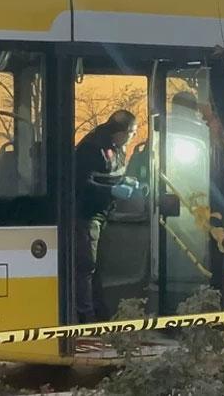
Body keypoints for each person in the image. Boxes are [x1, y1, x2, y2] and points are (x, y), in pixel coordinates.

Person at [75, 109, 139, 323]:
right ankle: (86, 318)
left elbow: (110, 175)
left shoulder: (117, 147)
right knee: (87, 265)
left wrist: (126, 182)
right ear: (121, 131)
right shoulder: (91, 147)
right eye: (132, 132)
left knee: (98, 267)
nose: (133, 137)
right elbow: (81, 184)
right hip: (87, 214)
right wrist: (112, 190)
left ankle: (99, 313)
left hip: (104, 212)